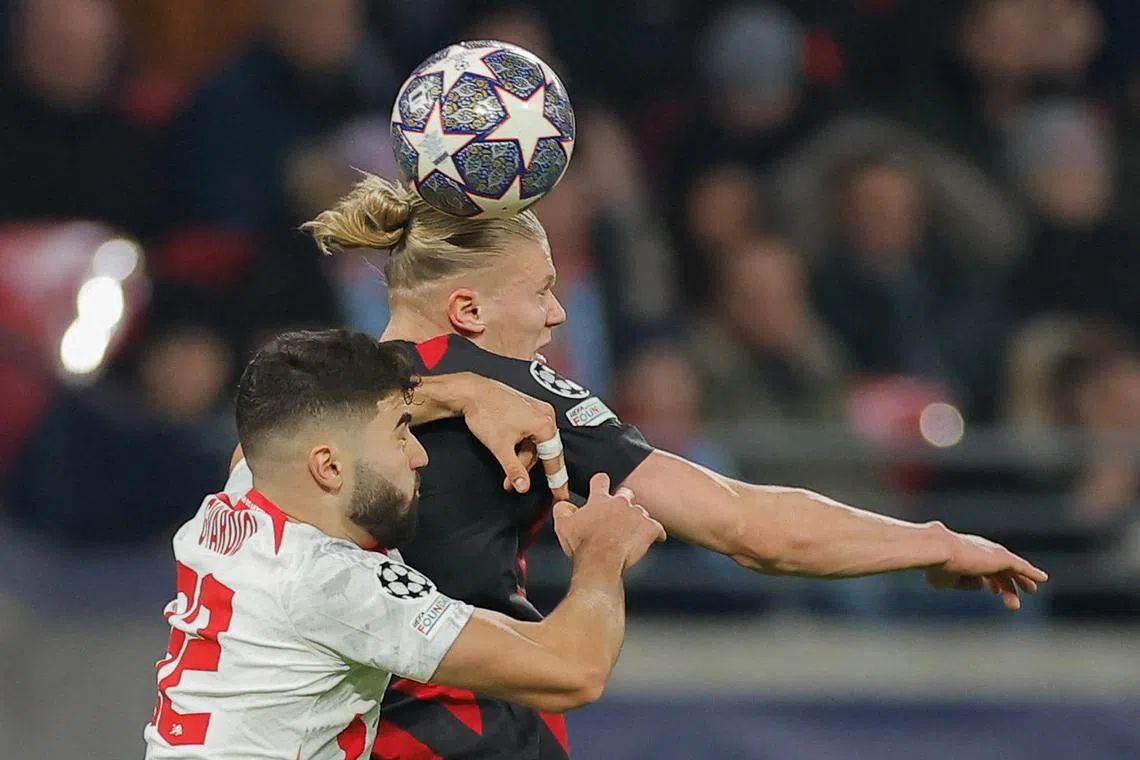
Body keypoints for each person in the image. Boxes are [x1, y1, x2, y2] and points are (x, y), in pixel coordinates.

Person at [292, 174, 1049, 760]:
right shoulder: (520, 393)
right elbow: (750, 527)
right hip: (464, 734)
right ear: (468, 311)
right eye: (543, 291)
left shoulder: (301, 404)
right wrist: (937, 542)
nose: (558, 315)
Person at [144, 329, 665, 759]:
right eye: (399, 432)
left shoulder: (238, 501)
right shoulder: (334, 583)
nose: (419, 455)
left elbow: (260, 441)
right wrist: (603, 552)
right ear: (328, 467)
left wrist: (465, 391)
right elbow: (574, 672)